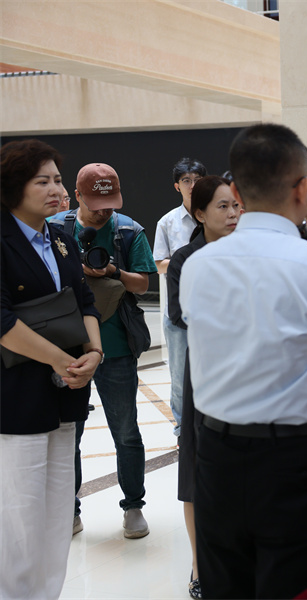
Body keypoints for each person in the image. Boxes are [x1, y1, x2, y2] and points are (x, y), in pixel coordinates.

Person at [180, 124, 307, 598]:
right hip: (295, 457)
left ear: (236, 192)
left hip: (216, 452)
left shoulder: (197, 265)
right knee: (292, 584)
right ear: (303, 188)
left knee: (225, 584)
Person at [1, 139, 103, 600]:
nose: (56, 189)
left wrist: (94, 353)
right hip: (17, 397)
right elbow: (2, 321)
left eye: (58, 180)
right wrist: (61, 359)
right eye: (42, 181)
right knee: (20, 517)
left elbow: (85, 302)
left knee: (57, 512)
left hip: (66, 392)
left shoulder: (61, 238)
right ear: (13, 187)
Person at [48, 162, 157, 540]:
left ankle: (134, 506)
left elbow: (142, 284)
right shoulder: (55, 229)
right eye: (96, 204)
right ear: (77, 196)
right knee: (69, 433)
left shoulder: (128, 230)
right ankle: (70, 509)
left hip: (117, 346)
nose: (104, 212)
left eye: (110, 204)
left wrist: (113, 272)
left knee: (126, 432)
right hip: (68, 347)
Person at [167, 175, 241, 600]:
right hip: (206, 374)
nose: (232, 214)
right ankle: (200, 564)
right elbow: (181, 314)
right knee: (196, 472)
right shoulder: (186, 259)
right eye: (222, 207)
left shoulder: (251, 253)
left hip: (250, 374)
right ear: (199, 214)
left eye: (236, 206)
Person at [154, 157, 207, 437]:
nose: (192, 185)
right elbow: (158, 263)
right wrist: (184, 260)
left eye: (197, 180)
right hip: (177, 310)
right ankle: (182, 430)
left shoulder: (214, 214)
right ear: (177, 186)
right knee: (179, 375)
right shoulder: (167, 222)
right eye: (186, 180)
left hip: (210, 308)